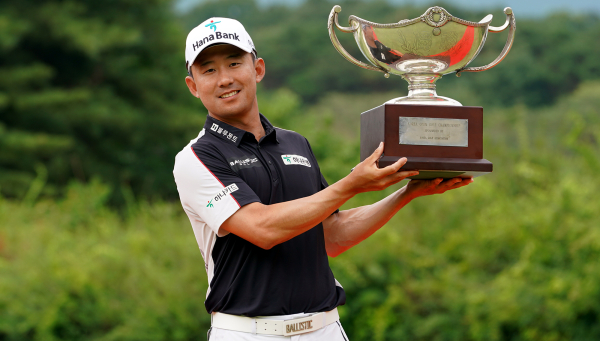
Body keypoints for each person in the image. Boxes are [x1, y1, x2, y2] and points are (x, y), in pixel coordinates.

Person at [173, 17, 473, 340]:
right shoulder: (196, 158)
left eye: (234, 63)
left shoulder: (295, 143)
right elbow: (262, 228)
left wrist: (406, 193)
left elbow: (334, 235)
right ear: (193, 85)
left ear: (257, 69)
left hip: (324, 328)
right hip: (247, 332)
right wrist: (351, 184)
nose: (225, 79)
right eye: (209, 70)